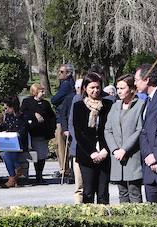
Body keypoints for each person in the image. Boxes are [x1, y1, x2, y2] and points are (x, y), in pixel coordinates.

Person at [72, 72, 113, 203]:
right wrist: (92, 153)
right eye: (92, 87)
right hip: (86, 155)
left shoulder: (108, 105)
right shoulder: (79, 106)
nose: (95, 90)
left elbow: (111, 130)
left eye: (98, 87)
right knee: (88, 191)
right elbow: (79, 132)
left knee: (103, 192)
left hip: (104, 153)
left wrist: (105, 150)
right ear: (85, 88)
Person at [104, 74, 144, 202]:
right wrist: (115, 149)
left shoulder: (140, 105)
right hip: (117, 157)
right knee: (122, 192)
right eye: (118, 88)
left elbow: (139, 130)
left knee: (134, 191)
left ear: (132, 88)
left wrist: (124, 149)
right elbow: (108, 129)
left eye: (122, 88)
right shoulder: (115, 105)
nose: (119, 91)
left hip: (132, 156)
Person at [21, 83, 57, 184]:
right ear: (35, 92)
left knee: (41, 156)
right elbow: (22, 114)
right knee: (29, 156)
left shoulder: (46, 103)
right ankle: (24, 176)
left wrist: (51, 128)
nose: (44, 93)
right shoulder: (27, 101)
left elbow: (52, 116)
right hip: (31, 133)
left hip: (42, 134)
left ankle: (39, 176)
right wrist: (34, 115)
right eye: (41, 91)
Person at [0, 95, 28, 188]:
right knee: (4, 153)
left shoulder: (22, 116)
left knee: (4, 154)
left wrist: (13, 134)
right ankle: (17, 170)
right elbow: (2, 129)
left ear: (13, 107)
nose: (5, 110)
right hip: (9, 143)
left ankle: (12, 178)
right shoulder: (7, 116)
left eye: (7, 108)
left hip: (19, 142)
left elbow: (22, 132)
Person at [51, 63, 75, 179]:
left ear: (68, 73)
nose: (59, 74)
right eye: (59, 71)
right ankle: (65, 168)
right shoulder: (65, 83)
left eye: (61, 72)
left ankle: (64, 169)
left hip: (62, 118)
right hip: (63, 116)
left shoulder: (66, 85)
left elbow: (55, 99)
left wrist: (54, 99)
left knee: (60, 144)